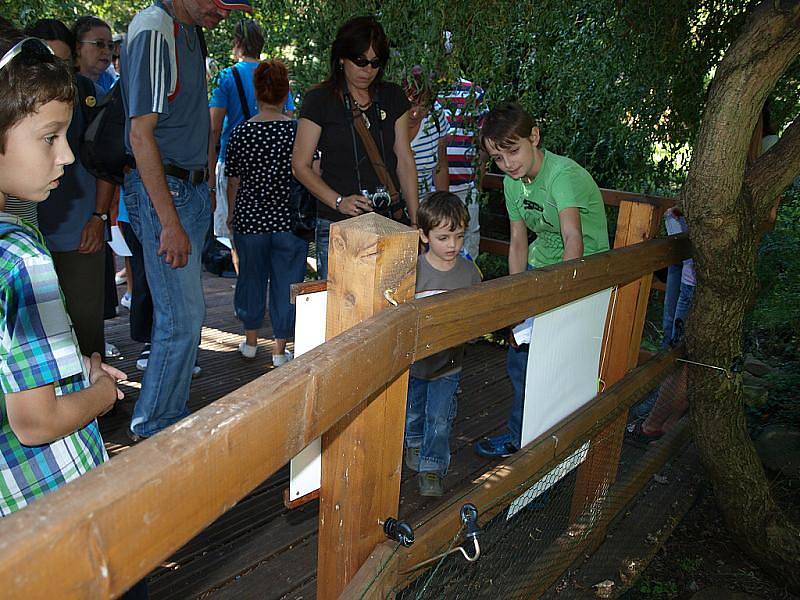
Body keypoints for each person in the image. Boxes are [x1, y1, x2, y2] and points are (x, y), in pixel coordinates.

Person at [0, 31, 124, 517]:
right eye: (50, 137)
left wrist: (75, 374)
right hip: (54, 499)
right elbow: (37, 421)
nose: (68, 156)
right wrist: (101, 393)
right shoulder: (21, 258)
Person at [120, 0, 252, 441]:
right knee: (182, 318)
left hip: (188, 188)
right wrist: (169, 221)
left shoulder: (188, 30)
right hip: (167, 192)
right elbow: (141, 135)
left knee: (183, 317)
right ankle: (154, 426)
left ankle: (166, 414)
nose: (225, 15)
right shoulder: (157, 30)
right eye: (220, 4)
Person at [474, 102, 610, 458]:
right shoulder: (511, 184)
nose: (508, 164)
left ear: (534, 137)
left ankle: (554, 443)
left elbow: (573, 238)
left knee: (559, 362)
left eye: (512, 152)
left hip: (580, 274)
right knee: (520, 357)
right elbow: (517, 242)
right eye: (498, 159)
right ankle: (522, 440)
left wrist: (561, 298)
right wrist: (517, 300)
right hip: (541, 272)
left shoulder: (562, 175)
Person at [292, 15, 419, 279]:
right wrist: (339, 202)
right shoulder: (320, 100)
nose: (367, 70)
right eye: (360, 61)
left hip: (390, 221)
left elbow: (405, 159)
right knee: (344, 312)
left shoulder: (393, 96)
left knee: (392, 309)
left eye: (375, 63)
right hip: (339, 226)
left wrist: (416, 220)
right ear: (341, 57)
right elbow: (300, 165)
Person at [26, 18, 113, 359]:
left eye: (60, 63)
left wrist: (98, 217)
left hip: (79, 232)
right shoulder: (14, 101)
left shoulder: (88, 95)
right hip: (29, 232)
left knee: (86, 328)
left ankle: (94, 405)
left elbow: (105, 162)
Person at [226, 60, 308, 366]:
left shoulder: (241, 132)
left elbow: (233, 181)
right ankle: (279, 349)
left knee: (251, 278)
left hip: (251, 220)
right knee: (288, 283)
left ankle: (249, 342)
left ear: (256, 91)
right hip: (290, 220)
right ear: (286, 92)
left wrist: (232, 215)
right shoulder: (298, 131)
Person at [405, 192, 481, 496]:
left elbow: (477, 316)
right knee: (413, 410)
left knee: (440, 416)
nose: (453, 245)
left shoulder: (469, 273)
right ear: (424, 235)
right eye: (443, 237)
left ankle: (433, 466)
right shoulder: (413, 273)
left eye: (459, 236)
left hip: (450, 362)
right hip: (415, 363)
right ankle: (412, 441)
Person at [208, 20, 295, 241]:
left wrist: (209, 172)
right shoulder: (275, 74)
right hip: (276, 162)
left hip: (236, 159)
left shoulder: (226, 77)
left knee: (237, 232)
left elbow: (214, 127)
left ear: (237, 42)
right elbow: (289, 118)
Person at [438, 77, 489, 260]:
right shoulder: (424, 91)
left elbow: (483, 137)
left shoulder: (473, 91)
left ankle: (470, 284)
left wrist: (479, 179)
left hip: (466, 183)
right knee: (436, 233)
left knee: (469, 233)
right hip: (431, 185)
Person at [404, 65, 450, 203]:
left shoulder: (435, 118)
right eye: (411, 104)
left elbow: (440, 166)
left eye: (423, 106)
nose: (416, 113)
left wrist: (443, 206)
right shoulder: (386, 119)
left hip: (423, 207)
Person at [72, 16, 117, 97]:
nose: (107, 52)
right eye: (99, 44)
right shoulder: (66, 83)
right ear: (78, 48)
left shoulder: (110, 81)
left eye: (110, 46)